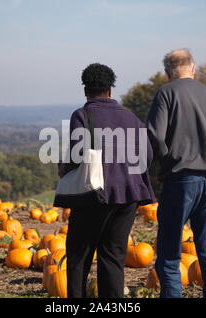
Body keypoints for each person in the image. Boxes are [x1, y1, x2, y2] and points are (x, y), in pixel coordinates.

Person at [59, 63, 156, 298]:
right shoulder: (131, 117)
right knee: (112, 257)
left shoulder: (82, 115)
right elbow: (148, 156)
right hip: (128, 197)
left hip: (94, 195)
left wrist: (63, 169)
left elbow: (77, 154)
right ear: (110, 90)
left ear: (86, 90)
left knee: (79, 256)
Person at [146, 49, 206, 298]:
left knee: (169, 252)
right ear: (193, 68)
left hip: (180, 181)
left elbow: (154, 134)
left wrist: (167, 160)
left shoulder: (166, 93)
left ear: (167, 72)